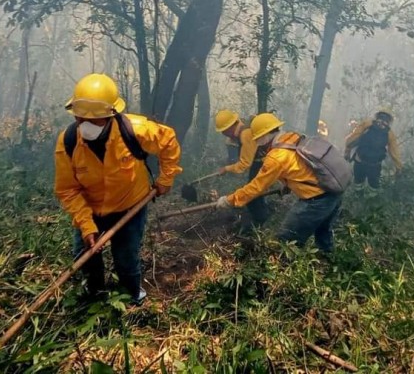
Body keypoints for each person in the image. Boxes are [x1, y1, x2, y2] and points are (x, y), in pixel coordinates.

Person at [55, 73, 182, 303]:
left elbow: (169, 141)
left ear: (111, 115)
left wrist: (166, 179)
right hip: (91, 210)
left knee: (125, 257)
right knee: (85, 255)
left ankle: (132, 297)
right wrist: (86, 224)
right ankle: (94, 295)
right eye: (81, 118)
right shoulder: (68, 141)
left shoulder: (136, 129)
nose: (86, 125)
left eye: (94, 120)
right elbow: (67, 189)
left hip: (130, 206)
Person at [216, 113, 343, 254]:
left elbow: (256, 187)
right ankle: (327, 263)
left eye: (257, 138)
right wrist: (287, 184)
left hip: (317, 200)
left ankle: (283, 270)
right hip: (332, 192)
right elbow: (300, 166)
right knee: (323, 236)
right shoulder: (291, 138)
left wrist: (229, 200)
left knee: (285, 240)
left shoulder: (276, 156)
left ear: (263, 137)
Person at [213, 109, 268, 229]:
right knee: (255, 195)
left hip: (263, 164)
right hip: (260, 163)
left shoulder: (245, 134)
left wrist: (226, 169)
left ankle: (259, 224)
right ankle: (259, 221)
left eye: (223, 131)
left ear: (229, 127)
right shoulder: (243, 130)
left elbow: (244, 164)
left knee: (253, 195)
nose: (223, 134)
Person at [343, 108, 402, 189]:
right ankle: (372, 200)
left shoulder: (367, 124)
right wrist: (398, 166)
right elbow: (394, 151)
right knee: (373, 186)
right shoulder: (389, 133)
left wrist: (347, 150)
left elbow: (353, 137)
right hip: (375, 165)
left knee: (358, 183)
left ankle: (357, 199)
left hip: (360, 161)